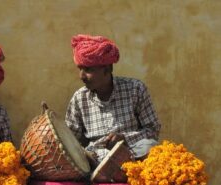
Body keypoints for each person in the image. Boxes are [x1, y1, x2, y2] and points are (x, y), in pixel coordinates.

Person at [65, 34, 161, 165]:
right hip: (95, 159)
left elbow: (153, 130)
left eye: (88, 69)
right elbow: (70, 140)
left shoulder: (135, 89)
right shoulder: (79, 98)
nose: (81, 76)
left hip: (132, 154)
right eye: (80, 69)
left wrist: (124, 139)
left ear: (107, 69)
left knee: (151, 147)